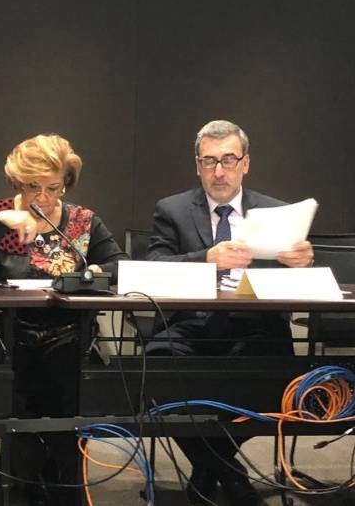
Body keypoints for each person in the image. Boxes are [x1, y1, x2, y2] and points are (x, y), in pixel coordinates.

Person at [146, 120, 313, 506]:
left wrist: (302, 263)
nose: (219, 171)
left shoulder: (277, 212)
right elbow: (153, 265)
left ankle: (211, 468)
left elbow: (297, 282)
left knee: (276, 379)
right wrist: (206, 258)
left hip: (254, 328)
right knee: (156, 377)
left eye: (228, 160)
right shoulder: (172, 210)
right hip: (188, 324)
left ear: (245, 163)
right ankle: (231, 473)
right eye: (209, 161)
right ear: (197, 166)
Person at [0, 134, 126, 505]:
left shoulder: (82, 222)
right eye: (33, 187)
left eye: (53, 187)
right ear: (18, 183)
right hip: (4, 334)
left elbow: (120, 265)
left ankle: (62, 481)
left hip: (68, 336)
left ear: (66, 183)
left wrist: (98, 270)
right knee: (22, 382)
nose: (44, 197)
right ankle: (23, 482)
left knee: (68, 377)